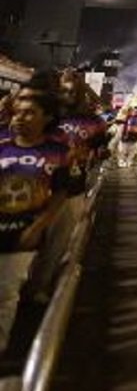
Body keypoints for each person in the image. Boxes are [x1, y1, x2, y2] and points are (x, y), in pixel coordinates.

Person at [0, 87, 69, 346]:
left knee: (5, 293)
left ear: (47, 117)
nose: (20, 118)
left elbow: (61, 192)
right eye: (18, 112)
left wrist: (39, 226)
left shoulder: (57, 152)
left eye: (30, 113)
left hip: (21, 233)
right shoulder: (2, 146)